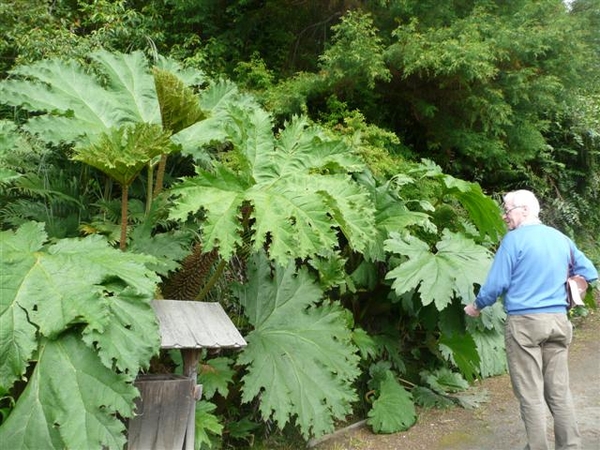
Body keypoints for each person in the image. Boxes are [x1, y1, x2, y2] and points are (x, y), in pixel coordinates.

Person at [464, 189, 598, 450]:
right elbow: (589, 271)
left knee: (530, 393)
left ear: (525, 210)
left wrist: (476, 306)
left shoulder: (514, 241)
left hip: (525, 323)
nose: (505, 216)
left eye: (508, 209)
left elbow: (497, 284)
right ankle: (570, 446)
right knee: (559, 391)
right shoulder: (561, 239)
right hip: (558, 322)